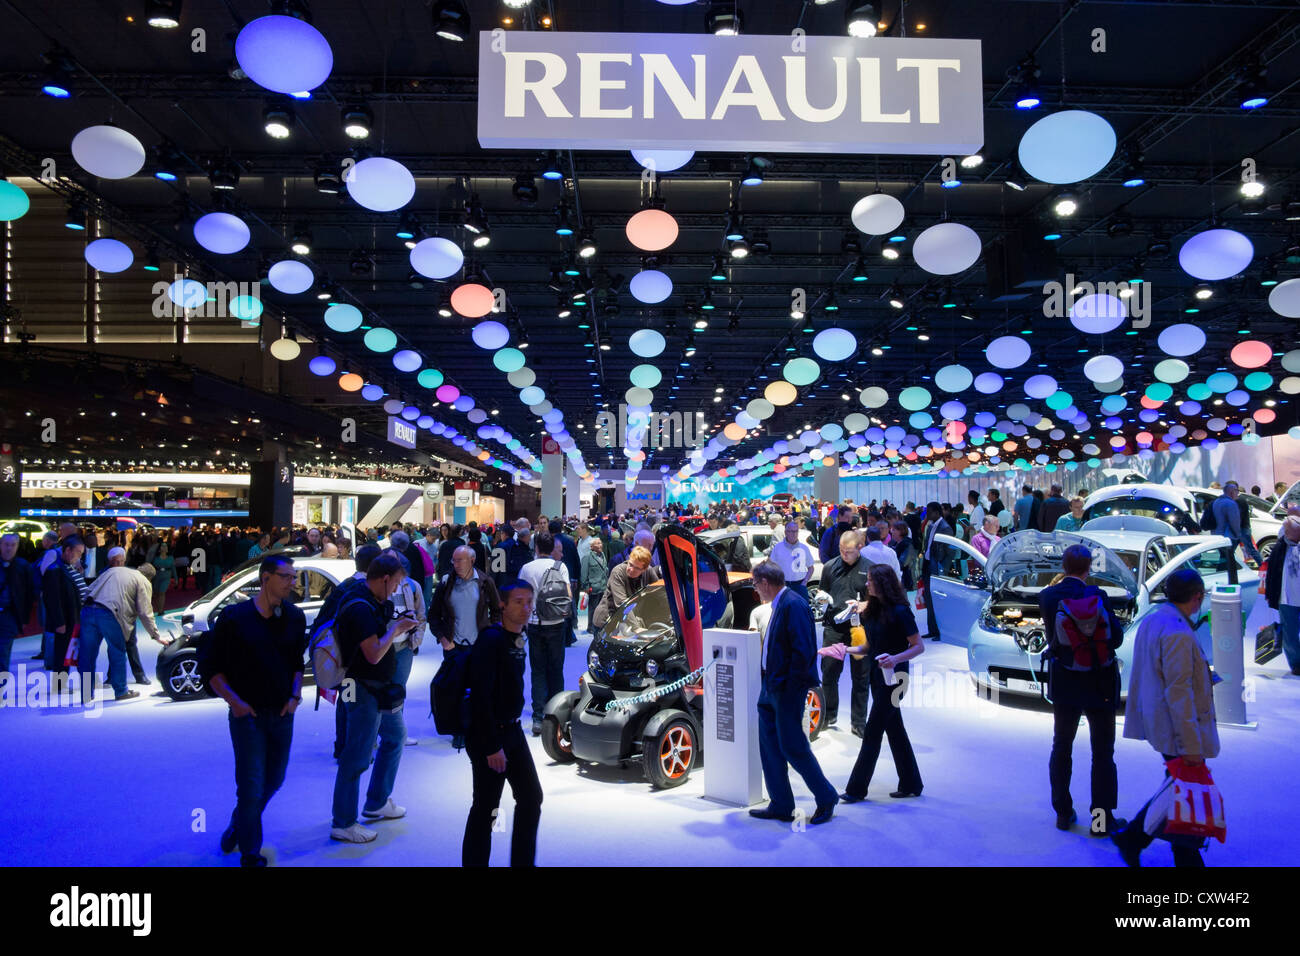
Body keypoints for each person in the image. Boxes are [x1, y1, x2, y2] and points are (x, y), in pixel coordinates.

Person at [197, 553, 307, 867]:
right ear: (265, 579)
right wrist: (236, 703)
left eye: (293, 576)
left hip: (283, 713)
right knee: (250, 784)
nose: (292, 582)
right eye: (286, 576)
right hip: (249, 718)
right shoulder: (234, 618)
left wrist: (295, 696)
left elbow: (297, 663)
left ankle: (239, 823)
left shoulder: (295, 618)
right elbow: (212, 668)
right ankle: (250, 853)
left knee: (275, 779)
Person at [1112, 568, 1217, 867]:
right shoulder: (1179, 632)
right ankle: (1182, 856)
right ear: (1197, 598)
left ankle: (1132, 838)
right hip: (1177, 728)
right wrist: (1192, 744)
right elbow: (1178, 693)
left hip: (1160, 720)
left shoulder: (1156, 618)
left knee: (1175, 787)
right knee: (1183, 790)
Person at [329, 552, 420, 843]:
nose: (395, 590)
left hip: (377, 688)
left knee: (394, 737)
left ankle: (377, 801)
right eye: (394, 584)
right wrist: (397, 628)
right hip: (360, 687)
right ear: (383, 579)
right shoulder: (360, 608)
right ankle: (343, 822)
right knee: (357, 753)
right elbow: (372, 653)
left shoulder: (372, 600)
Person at [1038, 544, 1124, 835]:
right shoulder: (1098, 596)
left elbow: (1052, 637)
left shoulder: (1047, 596)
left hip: (1065, 680)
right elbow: (1117, 639)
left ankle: (1063, 813)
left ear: (1063, 566)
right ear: (1089, 568)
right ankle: (1101, 822)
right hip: (1100, 681)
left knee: (1062, 746)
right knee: (1102, 753)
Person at [748, 560, 838, 825]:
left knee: (793, 747)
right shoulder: (779, 604)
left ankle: (826, 796)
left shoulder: (793, 605)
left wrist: (790, 688)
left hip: (785, 690)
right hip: (770, 686)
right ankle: (781, 803)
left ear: (765, 582)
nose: (755, 589)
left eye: (755, 584)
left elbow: (804, 651)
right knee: (770, 747)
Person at [462, 581, 544, 866]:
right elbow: (480, 697)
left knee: (531, 797)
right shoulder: (491, 640)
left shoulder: (518, 638)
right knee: (486, 808)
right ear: (503, 606)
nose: (526, 608)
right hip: (490, 736)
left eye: (529, 601)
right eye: (518, 602)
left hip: (512, 730)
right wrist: (492, 746)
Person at [839, 564, 925, 801]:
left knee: (873, 731)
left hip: (897, 680)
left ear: (883, 583)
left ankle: (856, 789)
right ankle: (911, 783)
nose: (866, 584)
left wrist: (894, 658)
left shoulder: (901, 611)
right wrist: (843, 649)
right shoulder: (874, 611)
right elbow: (868, 647)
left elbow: (918, 646)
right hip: (878, 678)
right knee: (895, 731)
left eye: (870, 580)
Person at [87, 548, 169, 691]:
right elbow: (145, 612)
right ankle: (121, 691)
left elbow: (88, 591)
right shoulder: (142, 580)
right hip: (114, 615)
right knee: (119, 650)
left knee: (88, 654)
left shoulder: (112, 572)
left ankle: (86, 693)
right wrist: (156, 635)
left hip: (90, 611)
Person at [818, 532, 874, 735]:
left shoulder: (870, 569)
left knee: (861, 676)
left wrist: (864, 604)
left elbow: (879, 600)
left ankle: (858, 722)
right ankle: (828, 714)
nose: (844, 555)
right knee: (829, 673)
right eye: (841, 551)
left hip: (860, 629)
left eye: (848, 552)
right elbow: (823, 592)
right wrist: (823, 599)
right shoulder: (830, 566)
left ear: (860, 547)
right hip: (834, 628)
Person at [518, 533, 571, 736]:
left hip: (535, 624)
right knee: (556, 669)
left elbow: (521, 596)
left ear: (537, 548)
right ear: (552, 547)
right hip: (556, 623)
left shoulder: (527, 568)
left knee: (538, 670)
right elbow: (568, 594)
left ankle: (538, 718)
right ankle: (558, 716)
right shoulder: (561, 566)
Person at [591, 544, 661, 633]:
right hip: (607, 621)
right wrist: (636, 627)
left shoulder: (648, 571)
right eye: (630, 564)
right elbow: (621, 602)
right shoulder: (618, 572)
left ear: (644, 569)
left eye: (636, 568)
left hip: (627, 622)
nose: (631, 569)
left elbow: (659, 593)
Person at [1263, 516, 1300, 676]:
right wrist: (1271, 595)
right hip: (1287, 598)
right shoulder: (1279, 548)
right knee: (1289, 633)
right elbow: (1272, 573)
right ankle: (1297, 665)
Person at [0, 533, 35, 678]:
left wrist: (23, 618)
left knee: (3, 653)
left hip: (10, 616)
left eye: (13, 545)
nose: (9, 548)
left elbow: (29, 593)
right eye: (6, 544)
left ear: (17, 547)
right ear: (1, 545)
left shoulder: (23, 566)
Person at [920, 502, 952, 640]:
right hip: (928, 566)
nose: (927, 515)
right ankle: (932, 629)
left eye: (929, 513)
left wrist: (942, 569)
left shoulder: (945, 528)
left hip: (937, 570)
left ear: (937, 513)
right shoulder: (932, 526)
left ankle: (941, 632)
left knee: (938, 602)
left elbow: (949, 553)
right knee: (929, 599)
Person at [1211, 482, 1262, 565]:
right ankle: (1226, 567)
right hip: (1239, 529)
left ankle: (1263, 566)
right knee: (1230, 550)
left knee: (1248, 549)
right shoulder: (1234, 500)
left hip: (1241, 529)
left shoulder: (1239, 501)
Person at [768, 520, 816, 601]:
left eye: (796, 531)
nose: (794, 534)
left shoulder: (804, 548)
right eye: (791, 531)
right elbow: (772, 567)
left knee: (802, 611)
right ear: (786, 532)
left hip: (800, 586)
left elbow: (811, 568)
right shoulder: (778, 547)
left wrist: (804, 582)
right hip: (783, 585)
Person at [579, 537, 609, 632]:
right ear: (592, 547)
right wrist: (586, 587)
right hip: (593, 587)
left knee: (602, 608)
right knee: (592, 608)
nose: (600, 545)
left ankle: (599, 625)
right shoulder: (587, 557)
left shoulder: (603, 555)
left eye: (600, 543)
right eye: (598, 543)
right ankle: (590, 627)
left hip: (603, 586)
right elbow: (584, 574)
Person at [151, 541, 175, 615]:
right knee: (156, 594)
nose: (164, 548)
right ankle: (159, 609)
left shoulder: (171, 558)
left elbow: (173, 568)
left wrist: (176, 579)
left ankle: (161, 610)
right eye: (162, 546)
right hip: (157, 576)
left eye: (166, 546)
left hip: (166, 577)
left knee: (162, 592)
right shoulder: (155, 558)